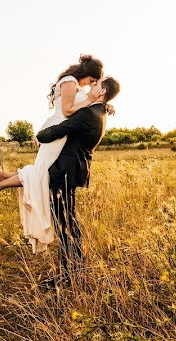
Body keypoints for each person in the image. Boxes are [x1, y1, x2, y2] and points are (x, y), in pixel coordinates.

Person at [0, 55, 105, 253]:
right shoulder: (70, 82)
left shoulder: (76, 86)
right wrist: (90, 100)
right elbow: (69, 111)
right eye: (92, 81)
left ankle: (0, 177)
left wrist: (101, 103)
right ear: (87, 74)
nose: (91, 86)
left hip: (61, 133)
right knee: (41, 174)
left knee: (41, 173)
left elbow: (80, 109)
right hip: (57, 133)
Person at [36, 76, 120, 287]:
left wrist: (39, 134)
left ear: (101, 92)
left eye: (96, 84)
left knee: (64, 223)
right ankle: (75, 270)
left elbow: (52, 133)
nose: (91, 85)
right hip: (73, 171)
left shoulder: (87, 114)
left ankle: (68, 276)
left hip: (65, 171)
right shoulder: (98, 112)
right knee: (68, 221)